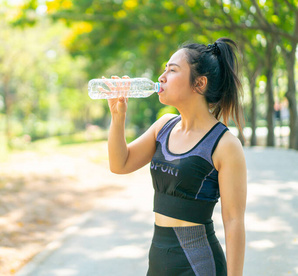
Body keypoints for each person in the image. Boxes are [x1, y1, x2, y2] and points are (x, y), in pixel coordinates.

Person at [104, 38, 247, 276]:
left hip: (199, 265)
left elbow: (234, 221)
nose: (161, 77)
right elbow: (120, 164)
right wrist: (118, 116)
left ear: (199, 83)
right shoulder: (163, 127)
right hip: (158, 262)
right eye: (164, 69)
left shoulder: (225, 145)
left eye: (172, 70)